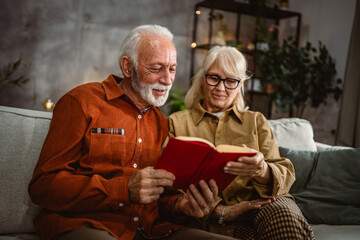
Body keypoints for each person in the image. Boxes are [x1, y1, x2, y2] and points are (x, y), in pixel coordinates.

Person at [28, 25, 236, 240]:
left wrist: (181, 206)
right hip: (86, 224)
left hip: (152, 230)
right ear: (127, 67)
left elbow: (158, 196)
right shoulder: (82, 102)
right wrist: (123, 189)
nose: (167, 79)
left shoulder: (162, 123)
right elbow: (43, 186)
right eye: (156, 68)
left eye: (172, 69)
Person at [167, 45, 315, 239]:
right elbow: (170, 186)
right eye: (214, 78)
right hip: (212, 215)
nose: (221, 88)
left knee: (284, 220)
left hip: (262, 204)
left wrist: (262, 170)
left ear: (240, 85)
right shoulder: (177, 123)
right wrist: (221, 211)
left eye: (231, 81)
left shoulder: (256, 121)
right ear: (203, 78)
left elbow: (284, 173)